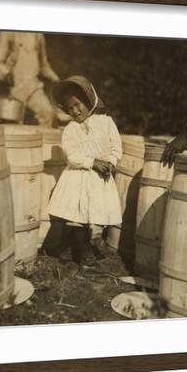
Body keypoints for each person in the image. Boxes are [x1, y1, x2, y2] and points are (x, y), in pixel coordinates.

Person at [47, 76, 122, 273]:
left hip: (98, 179)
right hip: (77, 177)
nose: (75, 111)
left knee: (93, 213)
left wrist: (111, 163)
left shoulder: (106, 123)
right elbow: (71, 155)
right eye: (69, 108)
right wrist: (92, 162)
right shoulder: (71, 129)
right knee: (77, 216)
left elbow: (116, 147)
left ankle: (84, 249)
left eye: (78, 105)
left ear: (89, 100)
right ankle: (82, 255)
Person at [0, 31, 71, 127]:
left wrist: (56, 79)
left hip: (34, 87)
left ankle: (43, 141)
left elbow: (43, 65)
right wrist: (6, 74)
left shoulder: (38, 35)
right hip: (15, 88)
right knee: (13, 123)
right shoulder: (7, 33)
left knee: (48, 113)